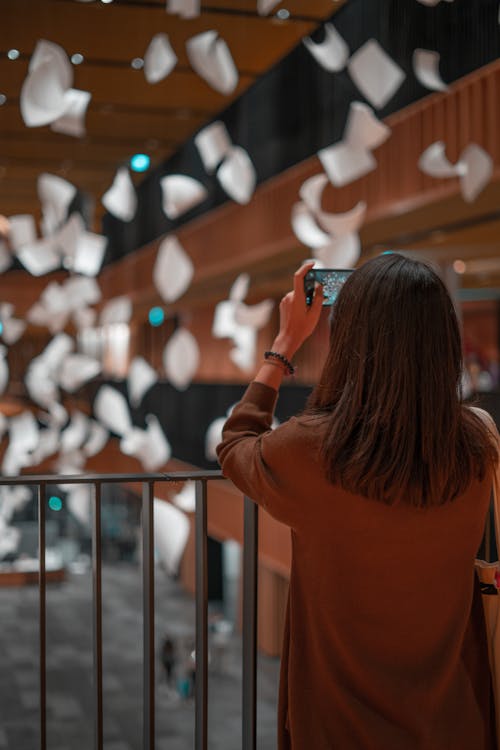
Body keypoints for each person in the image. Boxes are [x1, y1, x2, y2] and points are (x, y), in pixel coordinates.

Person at [216, 255, 499, 750]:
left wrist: (284, 345)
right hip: (455, 724)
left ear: (351, 340)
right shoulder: (477, 442)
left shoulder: (312, 449)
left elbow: (236, 443)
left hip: (339, 730)